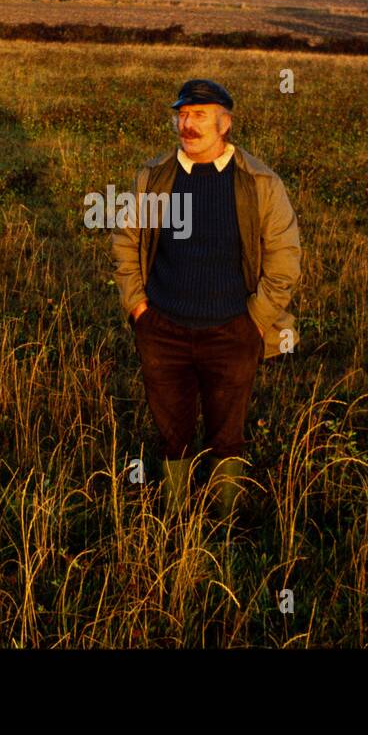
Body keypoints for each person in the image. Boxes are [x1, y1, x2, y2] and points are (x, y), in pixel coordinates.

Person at [110, 78, 301, 529]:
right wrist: (138, 308)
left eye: (199, 114)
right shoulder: (154, 178)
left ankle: (225, 523)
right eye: (182, 114)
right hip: (163, 328)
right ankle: (175, 521)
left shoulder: (259, 183)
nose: (187, 124)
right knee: (171, 430)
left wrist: (255, 322)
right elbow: (126, 242)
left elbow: (284, 258)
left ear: (225, 122)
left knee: (226, 432)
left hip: (232, 331)